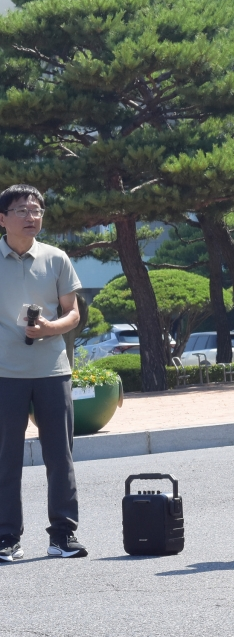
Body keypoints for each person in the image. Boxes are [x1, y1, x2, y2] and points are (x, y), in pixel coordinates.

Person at [0, 185, 85, 562]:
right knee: (5, 458)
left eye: (36, 210)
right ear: (2, 218)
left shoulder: (56, 258)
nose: (31, 216)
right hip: (4, 374)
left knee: (60, 456)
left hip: (52, 371)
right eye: (21, 210)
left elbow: (73, 313)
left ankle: (63, 536)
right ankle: (6, 538)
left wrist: (51, 328)